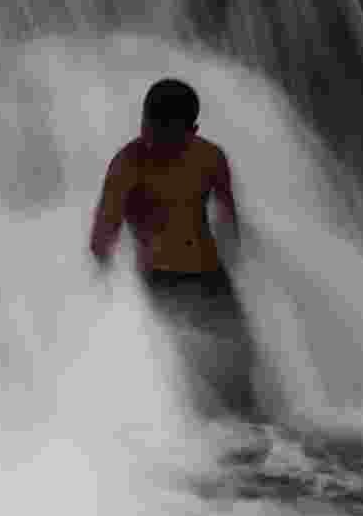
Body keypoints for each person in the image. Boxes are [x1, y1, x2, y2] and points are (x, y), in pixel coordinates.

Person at [89, 78, 265, 427]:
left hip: (209, 275)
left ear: (192, 130)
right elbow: (103, 233)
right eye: (147, 129)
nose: (152, 142)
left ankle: (256, 442)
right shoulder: (127, 164)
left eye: (165, 137)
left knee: (240, 360)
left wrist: (234, 252)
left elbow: (227, 211)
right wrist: (107, 284)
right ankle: (183, 435)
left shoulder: (210, 158)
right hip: (158, 281)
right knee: (177, 369)